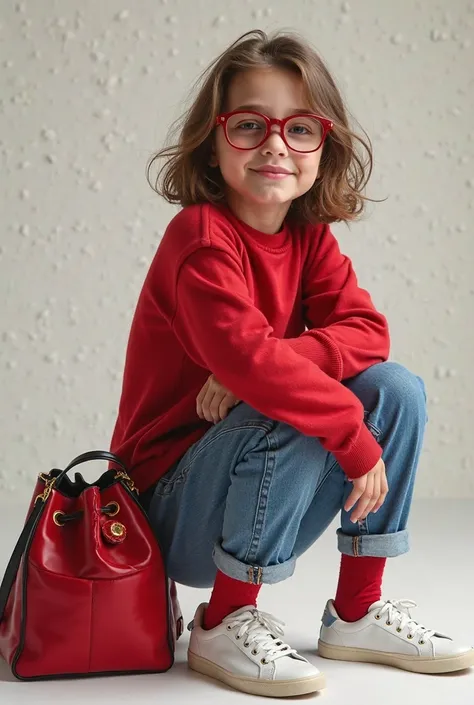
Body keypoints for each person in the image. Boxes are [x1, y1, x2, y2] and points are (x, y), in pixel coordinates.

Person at [109, 28, 474, 698]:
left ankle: (359, 608)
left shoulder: (309, 238)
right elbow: (257, 368)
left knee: (397, 388)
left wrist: (277, 360)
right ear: (213, 146)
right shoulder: (198, 239)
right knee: (293, 404)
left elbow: (368, 332)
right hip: (167, 513)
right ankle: (223, 618)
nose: (276, 143)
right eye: (249, 125)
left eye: (300, 128)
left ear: (321, 147)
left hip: (257, 483)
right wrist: (338, 424)